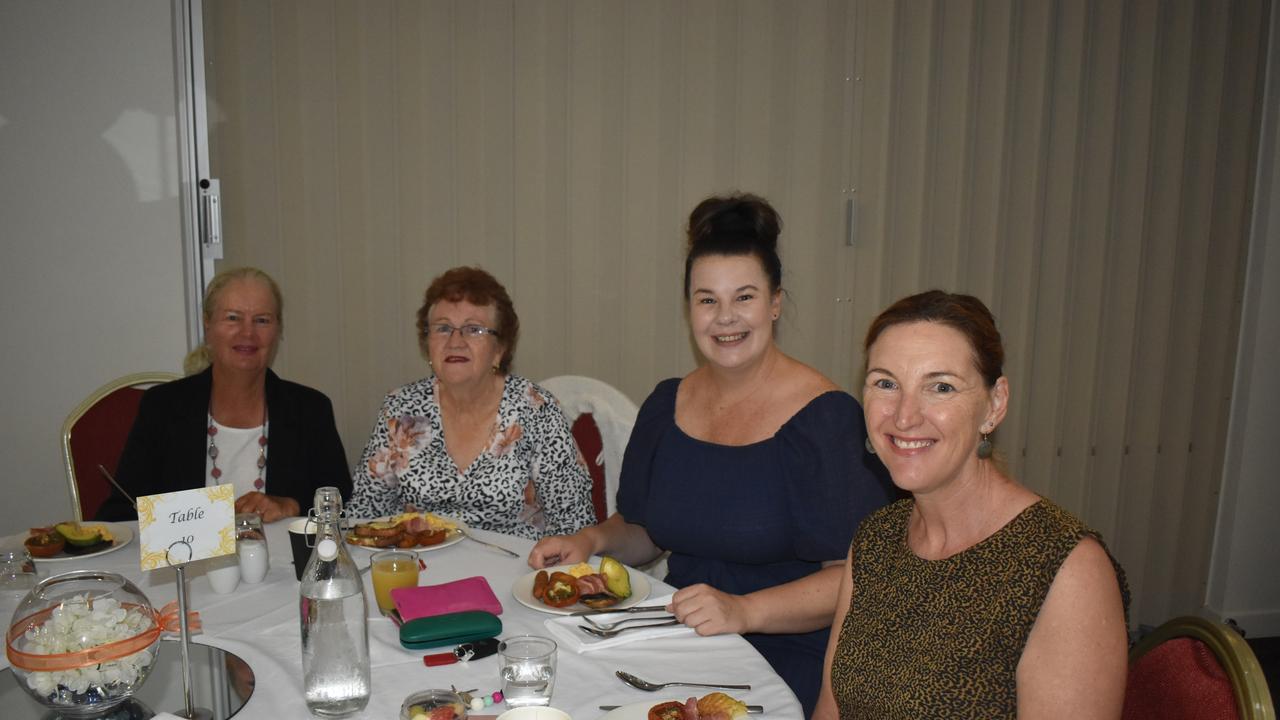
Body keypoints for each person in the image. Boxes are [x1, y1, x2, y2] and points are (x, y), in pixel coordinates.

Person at [529, 194, 894, 715]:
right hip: (678, 639)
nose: (725, 318)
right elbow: (644, 530)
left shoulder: (825, 420)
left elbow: (854, 578)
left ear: (775, 303)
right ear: (689, 308)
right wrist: (588, 541)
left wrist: (744, 610)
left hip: (784, 657)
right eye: (707, 300)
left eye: (744, 297)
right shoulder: (666, 403)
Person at [814, 290, 1130, 719]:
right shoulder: (877, 539)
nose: (904, 416)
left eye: (940, 387)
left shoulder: (1064, 569)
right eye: (886, 383)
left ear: (994, 404)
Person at [346, 266, 596, 540]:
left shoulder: (536, 410)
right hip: (422, 572)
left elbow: (575, 524)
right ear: (427, 343)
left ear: (499, 349)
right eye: (442, 328)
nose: (455, 341)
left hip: (514, 570)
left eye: (473, 329)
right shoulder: (401, 409)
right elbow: (365, 513)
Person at [98, 267, 352, 523]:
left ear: (278, 330)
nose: (248, 333)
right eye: (233, 318)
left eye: (262, 320)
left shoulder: (310, 409)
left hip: (285, 563)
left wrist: (291, 504)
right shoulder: (163, 407)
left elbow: (344, 505)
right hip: (187, 562)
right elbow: (121, 512)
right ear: (207, 324)